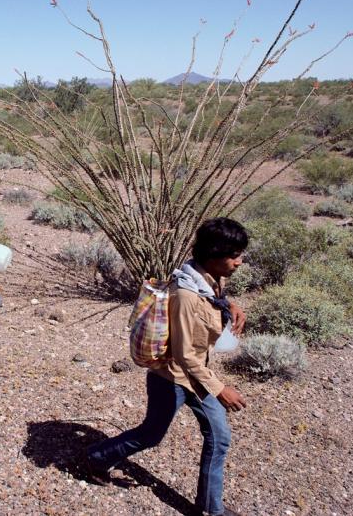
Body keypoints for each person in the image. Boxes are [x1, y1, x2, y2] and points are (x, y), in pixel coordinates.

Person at [86, 217, 249, 516]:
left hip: (197, 377)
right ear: (214, 256)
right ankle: (97, 458)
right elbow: (185, 355)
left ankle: (211, 510)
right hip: (172, 378)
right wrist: (221, 389)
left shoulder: (207, 277)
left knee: (219, 437)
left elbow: (216, 299)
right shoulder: (186, 296)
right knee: (151, 434)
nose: (239, 262)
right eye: (235, 256)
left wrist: (231, 306)